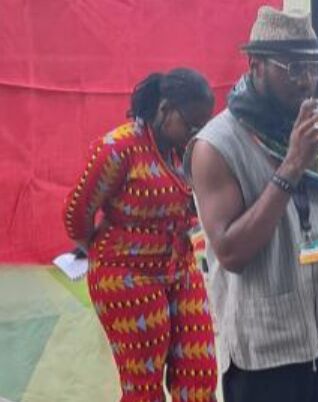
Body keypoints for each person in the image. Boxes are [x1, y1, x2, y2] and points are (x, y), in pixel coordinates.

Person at [187, 6, 318, 402]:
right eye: (292, 67)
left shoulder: (316, 133)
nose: (306, 80)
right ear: (255, 65)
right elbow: (231, 253)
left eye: (314, 68)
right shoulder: (215, 144)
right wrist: (291, 165)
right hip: (265, 354)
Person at [63, 68, 217, 402]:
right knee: (144, 387)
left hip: (180, 269)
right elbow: (76, 214)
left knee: (200, 376)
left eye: (202, 126)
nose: (196, 133)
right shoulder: (118, 149)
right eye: (191, 124)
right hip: (127, 278)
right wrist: (106, 251)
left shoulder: (185, 150)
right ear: (165, 109)